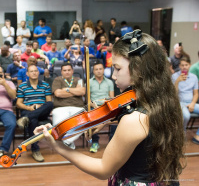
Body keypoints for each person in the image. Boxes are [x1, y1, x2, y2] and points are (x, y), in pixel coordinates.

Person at [34, 30, 185, 185]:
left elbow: (103, 169)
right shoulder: (165, 102)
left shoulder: (134, 120)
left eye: (118, 69)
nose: (113, 76)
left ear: (138, 69)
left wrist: (59, 147)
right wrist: (107, 120)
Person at [16, 65, 53, 162]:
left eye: (36, 71)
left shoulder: (45, 85)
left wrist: (38, 107)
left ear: (38, 72)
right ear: (27, 74)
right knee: (33, 120)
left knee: (50, 104)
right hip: (28, 109)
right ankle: (35, 149)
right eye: (31, 71)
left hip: (42, 110)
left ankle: (26, 118)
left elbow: (48, 102)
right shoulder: (22, 86)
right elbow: (18, 103)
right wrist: (29, 108)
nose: (34, 73)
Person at [50, 63, 86, 149]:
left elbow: (82, 92)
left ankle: (66, 142)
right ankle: (69, 142)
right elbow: (58, 93)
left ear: (72, 71)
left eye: (69, 70)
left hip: (77, 107)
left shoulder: (79, 80)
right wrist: (75, 92)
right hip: (60, 107)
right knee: (59, 126)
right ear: (61, 72)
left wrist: (66, 89)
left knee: (83, 123)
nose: (67, 72)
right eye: (64, 70)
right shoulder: (57, 80)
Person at [172, 56, 199, 145]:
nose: (184, 67)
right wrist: (177, 82)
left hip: (190, 103)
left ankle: (198, 135)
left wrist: (192, 103)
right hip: (179, 102)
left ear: (189, 65)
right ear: (179, 66)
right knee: (186, 116)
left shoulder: (194, 77)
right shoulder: (174, 76)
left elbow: (196, 94)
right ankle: (181, 133)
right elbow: (173, 95)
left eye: (186, 65)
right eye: (182, 65)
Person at [89, 61, 114, 153]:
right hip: (93, 106)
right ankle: (95, 142)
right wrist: (94, 106)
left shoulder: (109, 82)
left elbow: (111, 98)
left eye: (100, 69)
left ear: (103, 70)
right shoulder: (89, 82)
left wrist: (106, 106)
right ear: (93, 71)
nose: (99, 71)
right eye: (96, 69)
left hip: (106, 106)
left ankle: (112, 143)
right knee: (92, 118)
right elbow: (88, 99)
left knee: (116, 118)